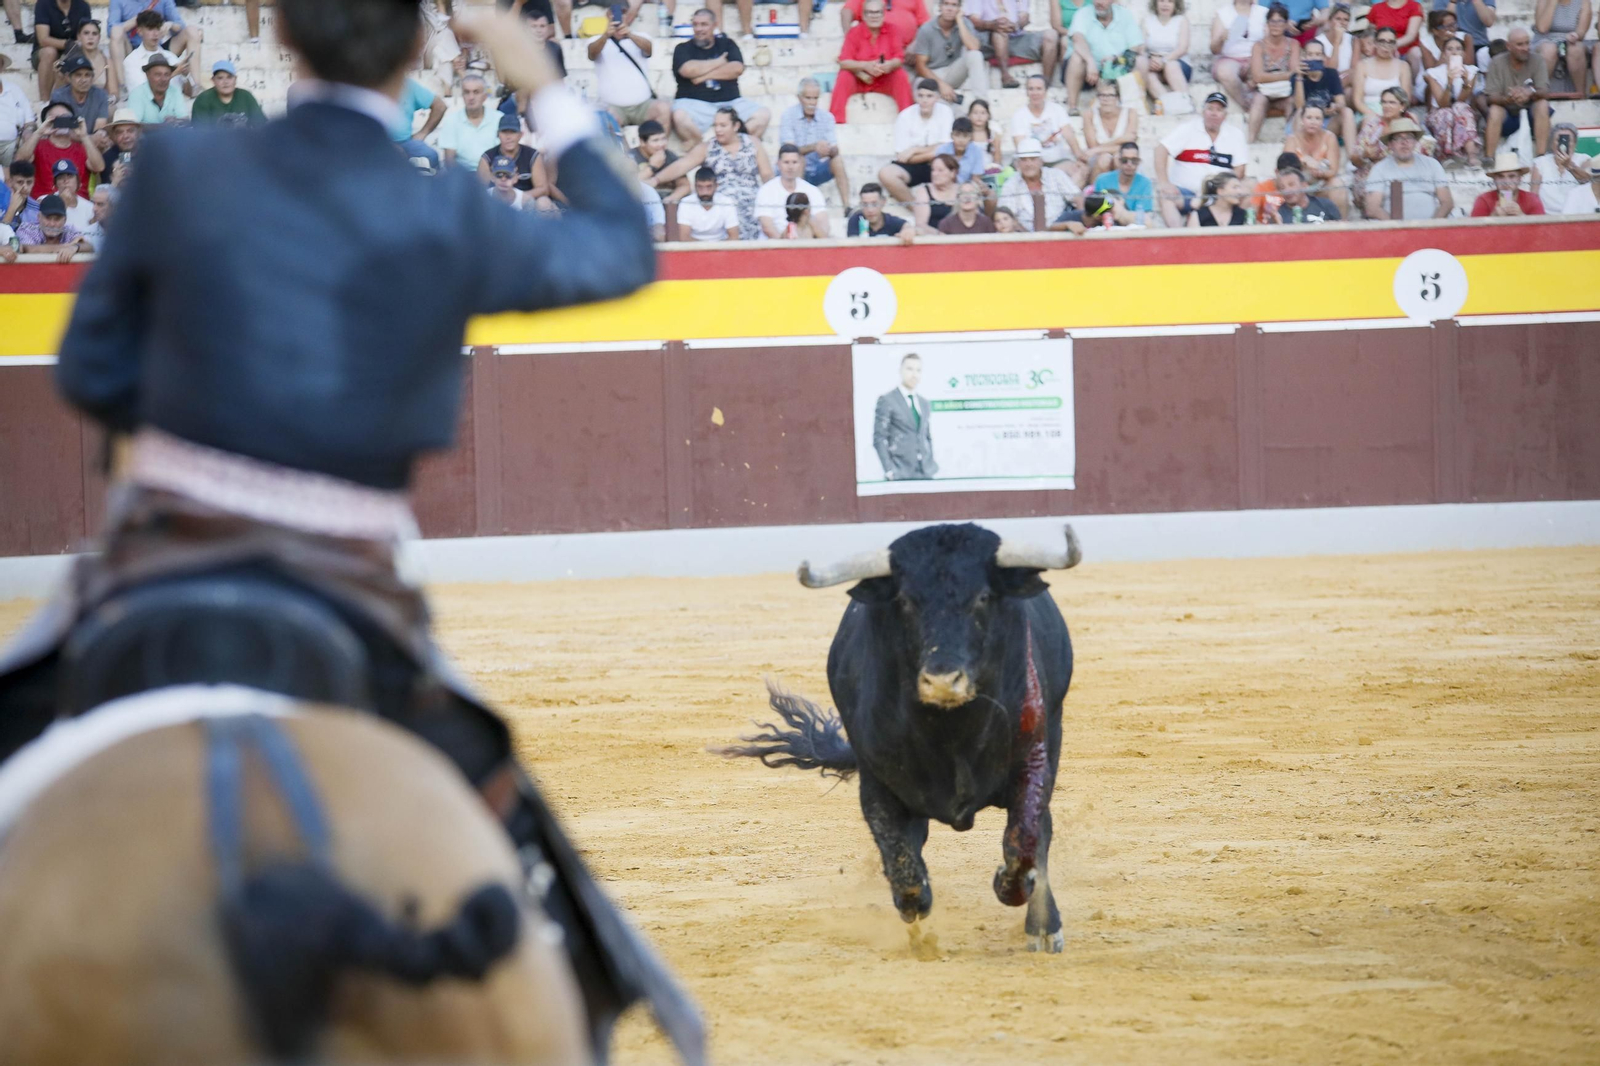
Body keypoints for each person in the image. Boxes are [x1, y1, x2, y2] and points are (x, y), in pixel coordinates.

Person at [0, 4, 699, 1061]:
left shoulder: (182, 169)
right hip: (350, 587)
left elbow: (92, 372)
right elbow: (619, 249)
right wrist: (537, 81)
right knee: (504, 808)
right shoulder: (450, 210)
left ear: (283, 37)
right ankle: (607, 984)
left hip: (160, 556)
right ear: (421, 57)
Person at [652, 106, 771, 239]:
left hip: (751, 205)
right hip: (720, 209)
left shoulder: (752, 142)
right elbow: (682, 165)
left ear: (736, 126)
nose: (718, 130)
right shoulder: (708, 147)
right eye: (715, 125)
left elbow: (767, 174)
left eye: (723, 125)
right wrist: (655, 180)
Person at [671, 9, 768, 148]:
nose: (699, 29)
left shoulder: (727, 44)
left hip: (730, 102)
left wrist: (701, 76)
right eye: (695, 24)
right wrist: (719, 62)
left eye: (704, 24)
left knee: (763, 115)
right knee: (679, 116)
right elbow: (688, 70)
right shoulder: (682, 48)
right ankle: (702, 148)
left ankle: (733, 147)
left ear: (714, 25)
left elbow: (736, 69)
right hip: (694, 104)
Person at [1155, 90, 1248, 227]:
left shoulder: (1235, 135)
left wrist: (1215, 189)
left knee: (1248, 189)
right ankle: (1178, 239)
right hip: (1187, 193)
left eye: (1219, 110)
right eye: (1210, 108)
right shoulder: (1187, 129)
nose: (1214, 113)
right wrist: (1164, 182)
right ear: (1203, 111)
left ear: (1225, 115)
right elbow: (1160, 150)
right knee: (1165, 197)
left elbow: (1240, 170)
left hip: (1219, 195)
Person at [831, 0, 913, 123]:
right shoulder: (854, 33)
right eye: (870, 12)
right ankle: (836, 120)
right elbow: (844, 62)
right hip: (860, 78)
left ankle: (908, 120)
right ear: (863, 15)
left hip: (885, 78)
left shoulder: (893, 30)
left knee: (900, 75)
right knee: (844, 76)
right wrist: (865, 65)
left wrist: (889, 65)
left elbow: (899, 58)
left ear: (884, 14)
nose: (874, 16)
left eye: (877, 12)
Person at [589, 10, 671, 133]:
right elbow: (592, 53)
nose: (618, 17)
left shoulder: (641, 36)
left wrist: (630, 34)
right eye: (615, 14)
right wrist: (606, 35)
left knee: (663, 109)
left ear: (629, 16)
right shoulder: (597, 39)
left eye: (623, 13)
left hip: (643, 106)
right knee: (604, 120)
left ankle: (660, 149)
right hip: (614, 107)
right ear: (608, 16)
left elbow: (649, 49)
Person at [879, 79, 955, 202]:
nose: (924, 100)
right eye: (921, 96)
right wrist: (932, 152)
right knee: (886, 174)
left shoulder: (945, 112)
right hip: (913, 164)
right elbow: (902, 156)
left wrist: (915, 150)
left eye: (929, 96)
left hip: (939, 163)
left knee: (954, 163)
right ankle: (917, 209)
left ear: (937, 97)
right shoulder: (905, 116)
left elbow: (945, 148)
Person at [1066, 0, 1147, 114]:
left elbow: (1136, 45)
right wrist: (1090, 61)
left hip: (1117, 65)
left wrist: (1116, 58)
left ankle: (1134, 107)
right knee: (1076, 58)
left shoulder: (1124, 14)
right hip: (1090, 69)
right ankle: (1072, 107)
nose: (1099, 2)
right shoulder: (1083, 13)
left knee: (1141, 61)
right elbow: (1077, 39)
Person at [1365, 116, 1453, 217]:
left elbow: (1447, 202)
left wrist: (1432, 226)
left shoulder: (1432, 164)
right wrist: (1396, 228)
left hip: (1430, 228)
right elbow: (1373, 208)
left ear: (1415, 142)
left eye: (1409, 137)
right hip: (1395, 229)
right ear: (1390, 144)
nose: (1404, 142)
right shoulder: (1379, 169)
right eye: (1398, 138)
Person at [779, 79, 849, 204]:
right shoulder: (788, 116)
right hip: (796, 169)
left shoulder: (827, 117)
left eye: (815, 98)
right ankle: (796, 206)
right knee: (799, 159)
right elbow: (788, 150)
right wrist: (813, 147)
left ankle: (847, 206)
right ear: (799, 98)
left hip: (817, 169)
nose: (812, 103)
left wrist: (829, 150)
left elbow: (835, 148)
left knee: (837, 160)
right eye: (808, 98)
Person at [1484, 27, 1550, 159]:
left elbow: (1545, 91)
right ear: (1509, 46)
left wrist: (1529, 93)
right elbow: (1490, 97)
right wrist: (1508, 99)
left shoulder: (1537, 60)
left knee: (1542, 104)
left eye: (1527, 43)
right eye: (1520, 44)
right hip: (1507, 113)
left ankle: (1541, 156)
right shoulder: (1497, 62)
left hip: (1531, 112)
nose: (1525, 47)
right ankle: (1489, 158)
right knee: (1495, 110)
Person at [965, 0, 1060, 89]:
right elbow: (974, 21)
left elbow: (1025, 17)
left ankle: (1045, 83)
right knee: (999, 32)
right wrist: (993, 25)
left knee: (1051, 35)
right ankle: (1005, 76)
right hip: (988, 39)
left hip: (1016, 36)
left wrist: (1016, 25)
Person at [108, 0, 201, 91]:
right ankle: (122, 86)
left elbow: (181, 25)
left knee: (192, 31)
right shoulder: (118, 1)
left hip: (159, 47)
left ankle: (196, 85)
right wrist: (140, 19)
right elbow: (110, 31)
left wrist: (170, 25)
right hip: (129, 48)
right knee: (116, 31)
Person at [909, 0, 987, 103]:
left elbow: (974, 47)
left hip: (952, 71)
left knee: (975, 55)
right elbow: (920, 66)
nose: (949, 9)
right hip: (932, 74)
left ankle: (982, 103)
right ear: (940, 6)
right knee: (923, 89)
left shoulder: (964, 23)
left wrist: (959, 21)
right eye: (946, 4)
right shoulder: (927, 29)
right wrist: (941, 84)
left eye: (954, 5)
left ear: (959, 8)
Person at [873, 352, 936, 480]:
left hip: (926, 472)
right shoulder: (887, 400)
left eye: (918, 370)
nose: (914, 374)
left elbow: (926, 436)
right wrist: (889, 470)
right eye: (910, 369)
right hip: (900, 471)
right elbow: (879, 437)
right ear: (900, 371)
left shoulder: (924, 403)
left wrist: (930, 464)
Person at [1009, 73, 1084, 179]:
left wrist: (1079, 157)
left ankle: (1067, 196)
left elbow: (1069, 136)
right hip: (1031, 163)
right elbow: (1021, 147)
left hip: (1056, 161)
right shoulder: (1019, 115)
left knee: (1079, 171)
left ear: (1045, 91)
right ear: (1026, 92)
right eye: (1031, 89)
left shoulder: (1057, 110)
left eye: (1039, 89)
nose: (1035, 93)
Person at [20, 101, 102, 197]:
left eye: (65, 118)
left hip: (78, 205)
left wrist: (84, 136)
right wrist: (39, 132)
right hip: (45, 204)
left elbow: (99, 167)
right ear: (47, 123)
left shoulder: (83, 147)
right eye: (55, 119)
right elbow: (20, 161)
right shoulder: (37, 146)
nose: (61, 122)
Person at [1423, 35, 1481, 165]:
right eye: (1449, 49)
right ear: (1443, 54)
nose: (1454, 52)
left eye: (1458, 49)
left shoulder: (1471, 71)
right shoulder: (1433, 73)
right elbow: (1442, 103)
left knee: (1460, 107)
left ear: (1464, 53)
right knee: (1447, 112)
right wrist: (1449, 82)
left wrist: (1466, 81)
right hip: (1438, 113)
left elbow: (1462, 99)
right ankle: (1446, 155)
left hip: (1462, 112)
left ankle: (1471, 154)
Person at [999, 135, 1078, 228]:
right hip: (1025, 234)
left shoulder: (1056, 175)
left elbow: (1077, 198)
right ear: (1018, 163)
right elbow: (1006, 215)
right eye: (1024, 160)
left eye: (1033, 159)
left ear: (1041, 161)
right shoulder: (1011, 184)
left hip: (1061, 229)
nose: (1029, 164)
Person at [756, 143, 831, 238]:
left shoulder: (812, 190)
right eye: (786, 162)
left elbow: (823, 223)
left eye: (794, 162)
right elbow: (767, 227)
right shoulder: (766, 190)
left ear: (800, 163)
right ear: (778, 164)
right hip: (774, 245)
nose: (790, 167)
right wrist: (785, 246)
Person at [1248, 3, 1300, 141]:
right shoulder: (1258, 46)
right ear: (1267, 23)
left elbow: (1295, 73)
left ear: (1286, 24)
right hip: (1264, 93)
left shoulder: (1293, 45)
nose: (1276, 25)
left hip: (1285, 94)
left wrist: (1269, 76)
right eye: (1272, 21)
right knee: (1258, 100)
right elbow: (1257, 76)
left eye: (1280, 21)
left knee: (1292, 101)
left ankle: (1291, 141)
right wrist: (1285, 75)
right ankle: (1251, 141)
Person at [1283, 100, 1346, 212]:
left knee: (1337, 185)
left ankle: (1342, 224)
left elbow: (1333, 170)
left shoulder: (1329, 137)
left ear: (1323, 122)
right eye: (1309, 118)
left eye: (1317, 119)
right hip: (1299, 186)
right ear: (1302, 120)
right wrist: (1304, 162)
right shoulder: (1292, 139)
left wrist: (1321, 173)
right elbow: (1286, 170)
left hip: (1321, 184)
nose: (1313, 122)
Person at [120, 10, 191, 101]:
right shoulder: (131, 61)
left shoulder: (171, 57)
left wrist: (185, 76)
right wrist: (173, 74)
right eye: (150, 29)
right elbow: (141, 94)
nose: (155, 34)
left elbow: (189, 93)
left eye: (158, 28)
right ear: (140, 31)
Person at [1296, 37, 1353, 148]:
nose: (1314, 58)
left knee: (1347, 111)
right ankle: (1302, 150)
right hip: (1304, 122)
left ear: (1323, 57)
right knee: (1299, 113)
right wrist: (1299, 77)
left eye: (1318, 54)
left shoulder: (1331, 74)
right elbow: (1299, 106)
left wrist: (1335, 107)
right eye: (1310, 54)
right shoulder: (1297, 76)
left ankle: (1352, 156)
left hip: (1325, 121)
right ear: (1304, 57)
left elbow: (1341, 103)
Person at [438, 74, 502, 170]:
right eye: (466, 92)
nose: (471, 97)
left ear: (484, 96)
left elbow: (505, 153)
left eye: (476, 92)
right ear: (462, 96)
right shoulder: (452, 120)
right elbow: (449, 161)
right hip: (463, 176)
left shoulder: (499, 118)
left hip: (493, 173)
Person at [32, 0, 93, 100]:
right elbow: (43, 39)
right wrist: (68, 43)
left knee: (84, 54)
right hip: (43, 53)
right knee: (50, 52)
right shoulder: (43, 4)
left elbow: (86, 33)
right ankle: (44, 102)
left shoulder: (83, 6)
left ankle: (78, 102)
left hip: (73, 51)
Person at [1211, 0, 1266, 107]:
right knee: (1224, 72)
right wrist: (1221, 38)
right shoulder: (1223, 14)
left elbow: (1271, 42)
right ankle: (1247, 106)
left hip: (1257, 57)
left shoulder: (1263, 12)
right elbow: (1214, 50)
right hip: (1230, 58)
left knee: (1264, 66)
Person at [479, 113, 550, 197]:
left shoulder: (532, 155)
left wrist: (518, 200)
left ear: (520, 135)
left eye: (513, 132)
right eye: (504, 132)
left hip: (527, 202)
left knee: (543, 203)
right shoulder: (487, 157)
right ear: (498, 134)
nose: (508, 137)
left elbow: (543, 189)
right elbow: (480, 190)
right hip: (497, 202)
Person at [1531, 123, 1590, 214]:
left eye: (1567, 140)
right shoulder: (1540, 163)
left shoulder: (1583, 159)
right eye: (1559, 140)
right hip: (1548, 217)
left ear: (1575, 143)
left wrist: (1569, 165)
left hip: (1577, 216)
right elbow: (1534, 196)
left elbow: (1588, 183)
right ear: (1551, 144)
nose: (1563, 144)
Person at [47, 53, 109, 139]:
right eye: (78, 75)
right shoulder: (59, 96)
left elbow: (99, 129)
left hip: (92, 143)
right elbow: (64, 131)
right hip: (66, 143)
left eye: (87, 75)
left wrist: (95, 138)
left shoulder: (101, 95)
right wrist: (90, 139)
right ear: (68, 78)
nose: (83, 80)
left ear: (92, 78)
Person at [190, 60, 266, 127]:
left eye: (229, 77)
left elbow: (261, 126)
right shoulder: (203, 99)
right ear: (213, 80)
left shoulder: (246, 96)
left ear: (235, 79)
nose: (225, 82)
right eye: (220, 78)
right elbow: (201, 134)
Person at [390, 77, 446, 168]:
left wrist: (423, 133)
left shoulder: (408, 84)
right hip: (378, 143)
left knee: (431, 156)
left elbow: (440, 106)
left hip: (406, 142)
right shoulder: (369, 85)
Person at [15, 190, 91, 257]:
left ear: (65, 220)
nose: (52, 224)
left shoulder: (69, 229)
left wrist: (75, 247)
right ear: (39, 217)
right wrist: (68, 246)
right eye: (48, 218)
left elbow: (88, 246)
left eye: (57, 219)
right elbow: (28, 248)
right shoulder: (27, 229)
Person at [1144, 0, 1192, 104]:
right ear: (1155, 3)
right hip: (1155, 63)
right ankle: (1168, 105)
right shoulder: (1147, 21)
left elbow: (1183, 48)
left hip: (1178, 64)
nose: (1165, 4)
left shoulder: (1181, 20)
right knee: (1146, 74)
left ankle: (1186, 102)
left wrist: (1164, 61)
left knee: (1171, 66)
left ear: (1176, 4)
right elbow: (1141, 47)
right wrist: (1150, 60)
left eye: (1170, 1)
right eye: (1161, 1)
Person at [676, 165, 741, 240]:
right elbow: (684, 238)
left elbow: (734, 236)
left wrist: (715, 250)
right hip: (694, 248)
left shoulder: (726, 202)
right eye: (700, 187)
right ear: (695, 187)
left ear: (716, 186)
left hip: (722, 247)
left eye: (709, 187)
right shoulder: (686, 203)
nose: (705, 192)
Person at [1262, 160, 1341, 220]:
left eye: (1291, 185)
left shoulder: (1326, 205)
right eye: (1282, 188)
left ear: (1304, 185)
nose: (1287, 190)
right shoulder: (1279, 216)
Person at [1470, 151, 1545, 214]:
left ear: (1520, 178)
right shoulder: (1484, 200)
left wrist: (1521, 216)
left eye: (1511, 176)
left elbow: (1542, 229)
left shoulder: (1532, 199)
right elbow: (1473, 230)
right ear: (1494, 179)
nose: (1506, 182)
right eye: (1501, 177)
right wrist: (1494, 217)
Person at [1092, 140, 1155, 213]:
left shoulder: (1145, 183)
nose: (1129, 164)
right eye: (1125, 160)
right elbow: (1095, 210)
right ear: (1119, 161)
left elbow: (1144, 215)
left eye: (1134, 160)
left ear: (1139, 162)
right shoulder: (1102, 180)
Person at [634, 118, 689, 202]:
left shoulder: (670, 156)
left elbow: (684, 185)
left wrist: (670, 199)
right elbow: (629, 187)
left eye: (663, 139)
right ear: (642, 142)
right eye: (655, 140)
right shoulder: (631, 157)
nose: (661, 144)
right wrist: (652, 167)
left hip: (666, 199)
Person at [128, 53, 191, 125]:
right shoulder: (137, 93)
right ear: (147, 75)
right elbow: (134, 126)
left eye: (166, 75)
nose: (163, 79)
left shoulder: (175, 91)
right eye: (158, 75)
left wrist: (176, 120)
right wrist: (163, 126)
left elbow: (185, 120)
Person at [1432, 0, 1496, 70]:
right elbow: (1442, 24)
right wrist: (1453, 2)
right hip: (1452, 43)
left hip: (1479, 44)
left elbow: (1489, 22)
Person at [846, 181, 915, 241]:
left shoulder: (890, 221)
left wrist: (908, 231)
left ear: (883, 202)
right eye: (865, 204)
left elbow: (908, 226)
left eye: (874, 204)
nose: (870, 210)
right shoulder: (855, 220)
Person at [841, 0, 930, 44]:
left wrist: (915, 46)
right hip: (872, 53)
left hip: (907, 55)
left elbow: (925, 24)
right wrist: (850, 39)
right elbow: (847, 12)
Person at [911, 151, 961, 230]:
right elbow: (920, 225)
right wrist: (941, 236)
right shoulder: (924, 191)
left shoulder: (962, 190)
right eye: (933, 170)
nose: (934, 174)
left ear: (953, 173)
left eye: (940, 170)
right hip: (933, 238)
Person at [934, 115, 988, 181]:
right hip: (944, 187)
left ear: (971, 137)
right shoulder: (942, 150)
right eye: (957, 135)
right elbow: (937, 176)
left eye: (965, 136)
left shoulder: (976, 151)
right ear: (951, 135)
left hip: (968, 188)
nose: (961, 140)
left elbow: (976, 179)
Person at [1316, 2, 1357, 88]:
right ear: (1330, 21)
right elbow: (1331, 70)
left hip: (1346, 81)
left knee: (1349, 90)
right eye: (1338, 19)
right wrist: (1337, 41)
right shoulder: (1319, 41)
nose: (1342, 22)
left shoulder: (1354, 40)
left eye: (1346, 20)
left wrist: (1341, 76)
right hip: (1325, 82)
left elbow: (1355, 69)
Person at [98, 106, 139, 188]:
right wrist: (115, 180)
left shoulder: (150, 154)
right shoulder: (108, 158)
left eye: (130, 131)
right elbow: (105, 194)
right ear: (114, 136)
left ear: (138, 133)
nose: (125, 136)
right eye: (120, 132)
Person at [0, 61, 29, 167]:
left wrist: (28, 136)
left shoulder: (15, 90)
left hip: (13, 144)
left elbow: (29, 121)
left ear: (1, 67)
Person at [48, 155, 89, 228]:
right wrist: (62, 203)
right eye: (60, 177)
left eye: (70, 176)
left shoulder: (89, 207)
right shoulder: (44, 200)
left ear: (77, 180)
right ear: (56, 183)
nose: (66, 181)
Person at [966, 96, 1002, 167]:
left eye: (983, 113)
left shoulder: (993, 135)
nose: (979, 116)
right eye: (975, 113)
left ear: (988, 115)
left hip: (989, 171)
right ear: (969, 115)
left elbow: (997, 158)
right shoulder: (966, 134)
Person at [78, 178, 110, 245]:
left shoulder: (129, 231)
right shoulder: (87, 233)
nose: (94, 209)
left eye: (100, 204)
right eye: (94, 203)